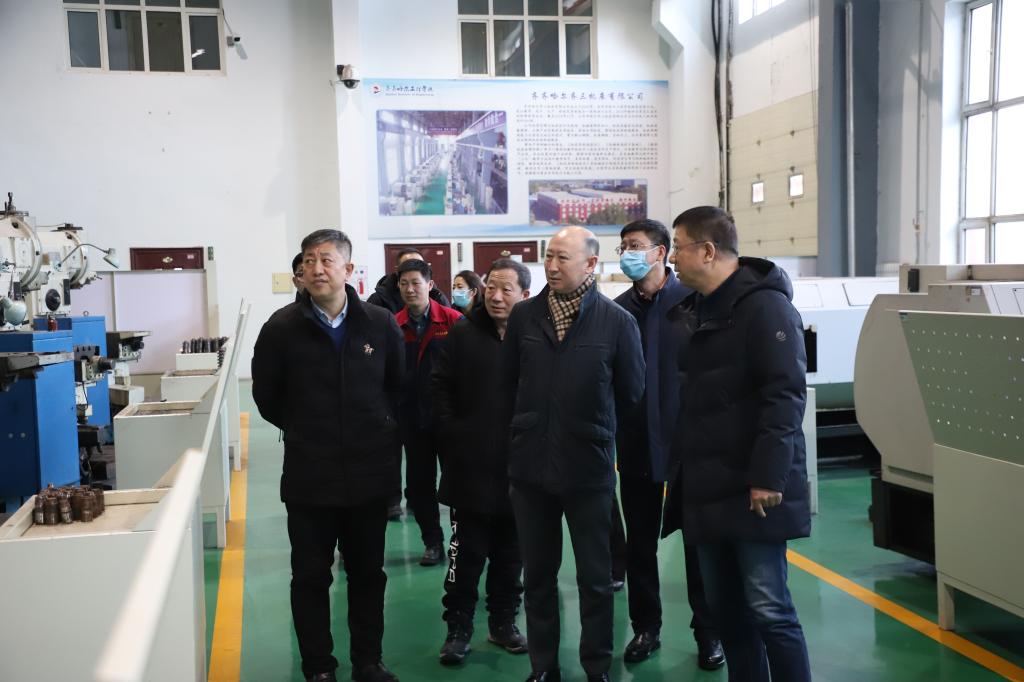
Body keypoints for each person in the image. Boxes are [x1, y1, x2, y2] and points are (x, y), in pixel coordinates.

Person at [666, 206, 812, 682]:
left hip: (753, 488)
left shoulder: (765, 308)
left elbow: (784, 396)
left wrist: (768, 476)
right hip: (707, 485)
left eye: (678, 247)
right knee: (725, 611)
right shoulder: (695, 309)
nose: (671, 259)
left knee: (770, 610)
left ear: (707, 251)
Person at [252, 229, 404, 682]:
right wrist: (305, 428)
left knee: (368, 574)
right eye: (309, 260)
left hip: (369, 476)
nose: (317, 269)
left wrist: (374, 428)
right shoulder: (281, 328)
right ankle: (319, 667)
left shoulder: (380, 323)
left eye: (327, 260)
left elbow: (396, 387)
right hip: (309, 478)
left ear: (348, 269)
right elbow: (266, 396)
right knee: (310, 577)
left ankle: (368, 661)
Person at [501, 226, 645, 682]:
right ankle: (543, 667)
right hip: (530, 470)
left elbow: (632, 394)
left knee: (595, 580)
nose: (552, 266)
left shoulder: (617, 323)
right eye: (549, 256)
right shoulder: (525, 317)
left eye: (563, 258)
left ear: (591, 264)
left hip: (588, 470)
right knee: (538, 578)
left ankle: (596, 667)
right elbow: (506, 384)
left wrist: (596, 431)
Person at [611, 219, 723, 670]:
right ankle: (646, 627)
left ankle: (709, 632)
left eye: (635, 245)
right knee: (639, 544)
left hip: (688, 447)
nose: (627, 253)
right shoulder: (617, 312)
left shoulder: (694, 304)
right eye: (623, 246)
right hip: (636, 444)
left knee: (699, 543)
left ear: (660, 253)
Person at [432, 258, 531, 666]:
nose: (496, 296)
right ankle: (458, 628)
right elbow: (440, 387)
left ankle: (503, 623)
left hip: (520, 471)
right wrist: (454, 436)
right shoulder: (463, 332)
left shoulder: (533, 336)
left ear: (525, 295)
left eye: (507, 289)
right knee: (465, 556)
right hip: (469, 470)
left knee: (511, 556)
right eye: (491, 287)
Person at [394, 258, 463, 566]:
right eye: (404, 284)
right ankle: (432, 542)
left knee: (457, 484)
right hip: (412, 421)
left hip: (449, 420)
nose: (410, 289)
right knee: (420, 486)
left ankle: (461, 541)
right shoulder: (393, 325)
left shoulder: (453, 321)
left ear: (430, 285)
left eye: (416, 283)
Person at [368, 247, 452, 313]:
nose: (410, 290)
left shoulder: (437, 296)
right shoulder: (380, 298)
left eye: (419, 264)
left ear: (430, 285)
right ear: (397, 270)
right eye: (408, 265)